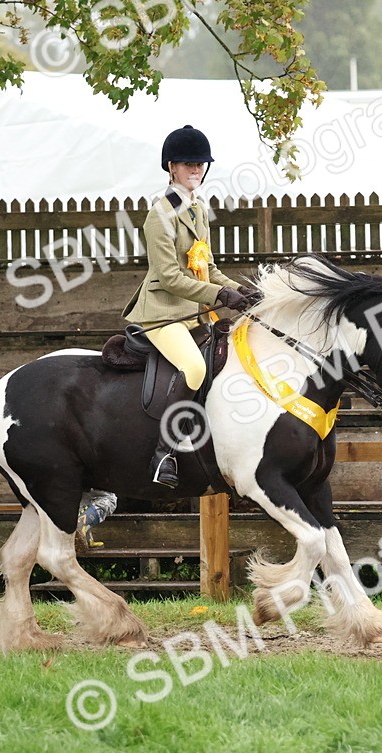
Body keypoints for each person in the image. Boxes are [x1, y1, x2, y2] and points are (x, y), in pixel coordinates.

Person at [122, 124, 259, 487]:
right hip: (163, 314)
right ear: (171, 167)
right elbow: (169, 277)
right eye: (188, 163)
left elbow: (208, 268)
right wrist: (219, 296)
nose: (196, 169)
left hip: (191, 312)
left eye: (200, 163)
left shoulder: (197, 209)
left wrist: (242, 291)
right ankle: (162, 453)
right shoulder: (160, 215)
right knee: (195, 368)